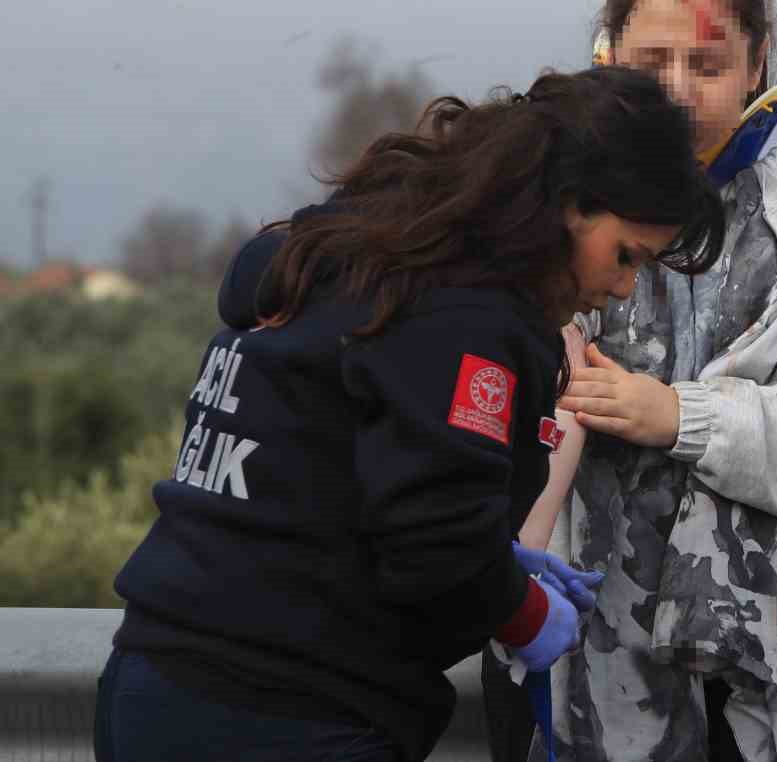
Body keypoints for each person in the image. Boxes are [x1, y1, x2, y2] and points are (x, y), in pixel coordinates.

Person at [94, 67, 726, 762]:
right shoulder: (468, 319)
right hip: (286, 713)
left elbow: (318, 467)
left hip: (148, 681)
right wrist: (522, 609)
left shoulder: (356, 269)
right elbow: (439, 549)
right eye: (625, 255)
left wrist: (492, 554)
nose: (622, 287)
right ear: (570, 206)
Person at [482, 0, 777, 762]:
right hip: (561, 640)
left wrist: (679, 416)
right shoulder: (538, 198)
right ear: (606, 58)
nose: (678, 95)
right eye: (651, 66)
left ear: (758, 68)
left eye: (708, 67)